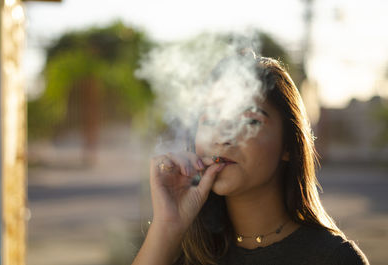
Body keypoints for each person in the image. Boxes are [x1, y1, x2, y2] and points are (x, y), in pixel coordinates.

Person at [131, 55, 369, 265]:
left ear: (288, 145)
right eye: (211, 120)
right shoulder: (179, 252)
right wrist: (167, 226)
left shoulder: (334, 258)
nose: (222, 138)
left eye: (250, 121)